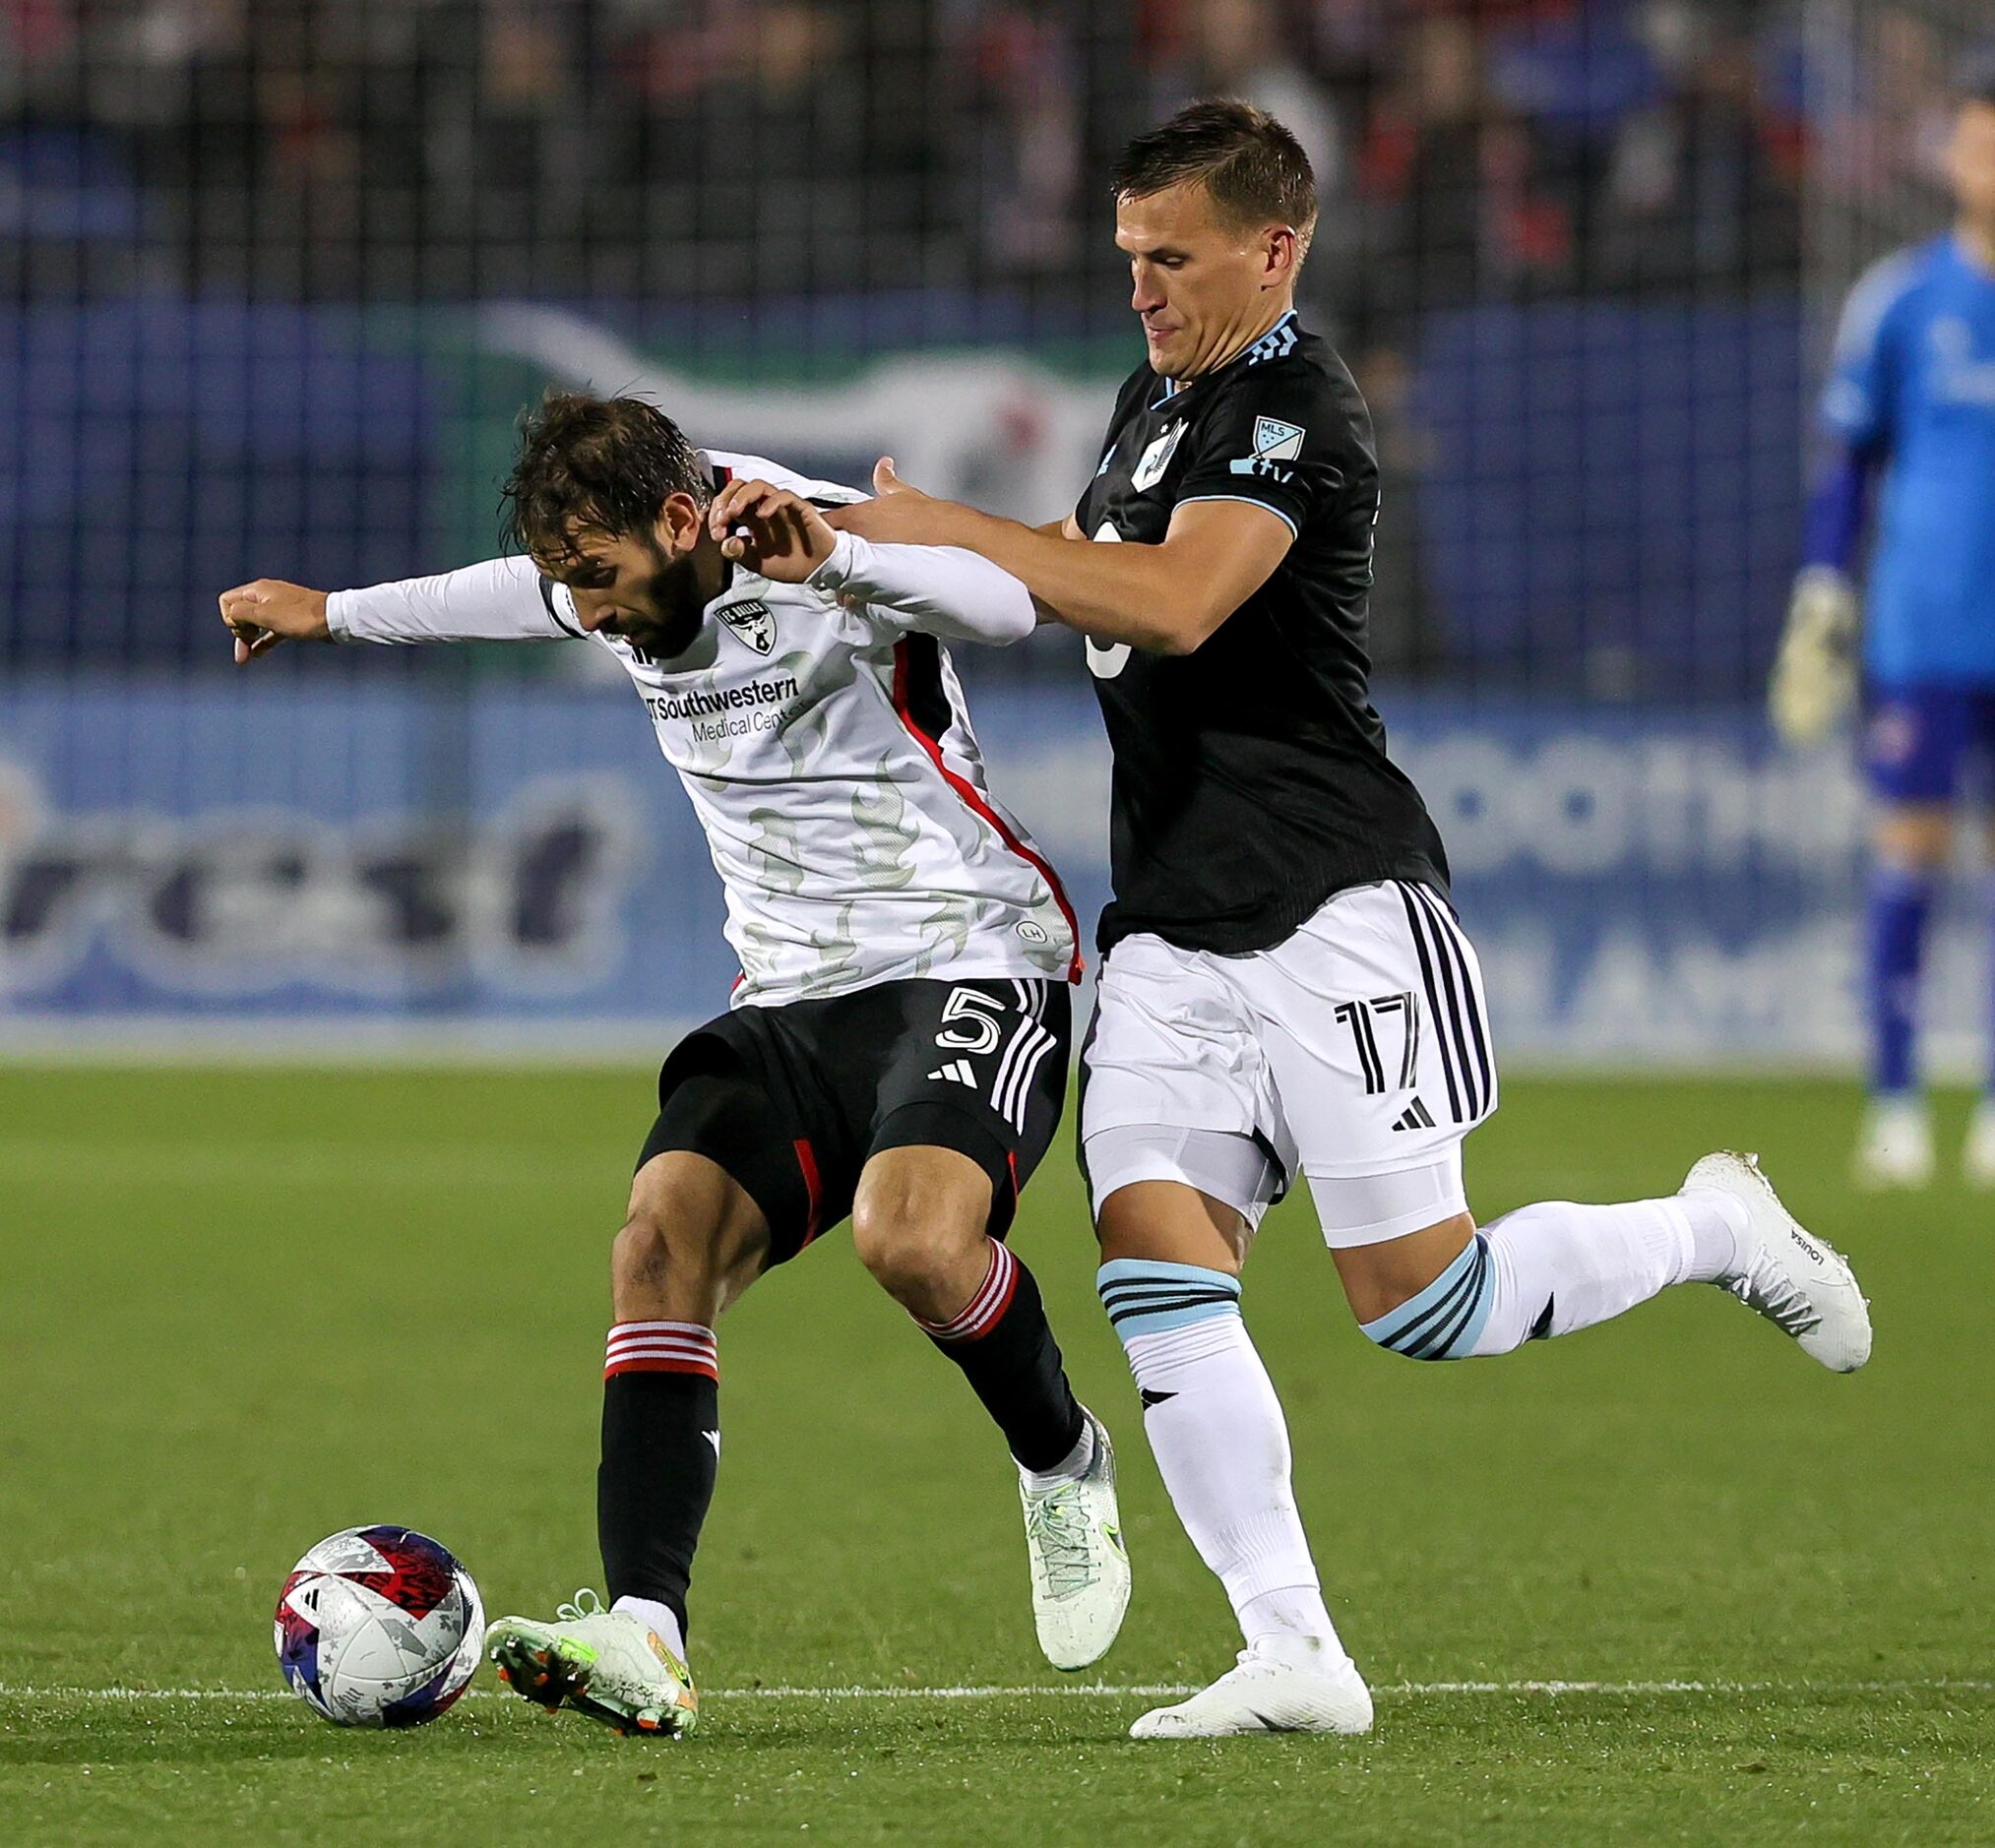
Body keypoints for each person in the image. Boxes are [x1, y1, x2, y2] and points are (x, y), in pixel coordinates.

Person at [835, 99, 1873, 1740]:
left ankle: (1710, 1225)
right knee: (1151, 1256)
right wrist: (855, 544)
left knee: (1423, 1304)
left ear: (1275, 245)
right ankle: (1290, 1648)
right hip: (1169, 920)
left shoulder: (1297, 406)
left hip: (1331, 901)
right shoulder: (1147, 406)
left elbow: (1175, 601)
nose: (1141, 288)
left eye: (1170, 257)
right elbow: (1060, 576)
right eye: (1125, 256)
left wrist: (947, 528)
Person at [218, 393, 1130, 1738]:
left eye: (597, 577)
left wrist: (839, 558)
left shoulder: (801, 539)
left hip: (967, 953)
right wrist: (332, 611)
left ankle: (1060, 1454)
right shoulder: (619, 578)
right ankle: (647, 1632)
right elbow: (497, 597)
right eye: (566, 581)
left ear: (681, 518)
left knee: (913, 1242)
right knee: (656, 1242)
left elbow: (1000, 605)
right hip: (789, 997)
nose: (583, 612)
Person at [1771, 62, 1995, 1190]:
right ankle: (1896, 1103)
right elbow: (1845, 468)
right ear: (1950, 154)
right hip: (1925, 633)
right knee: (1908, 856)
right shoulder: (1901, 298)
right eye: (1977, 139)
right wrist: (1822, 590)